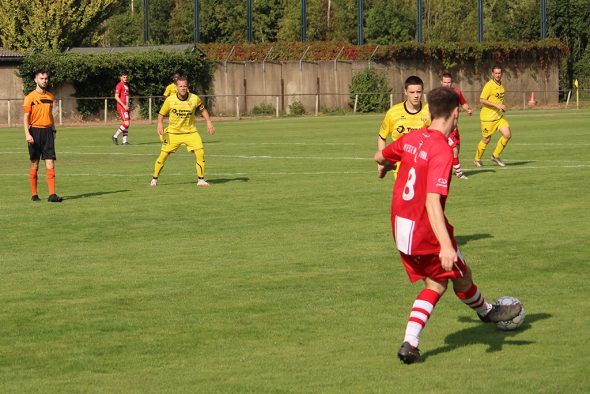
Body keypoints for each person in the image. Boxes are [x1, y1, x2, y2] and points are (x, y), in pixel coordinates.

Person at [374, 87, 521, 365]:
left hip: (400, 228)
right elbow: (432, 203)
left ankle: (411, 343)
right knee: (458, 277)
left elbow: (380, 156)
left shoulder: (411, 138)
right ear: (456, 113)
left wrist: (383, 165)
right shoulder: (441, 150)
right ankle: (487, 312)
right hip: (424, 229)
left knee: (436, 282)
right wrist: (445, 245)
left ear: (429, 112)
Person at [150, 76, 216, 187]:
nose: (183, 88)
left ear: (187, 87)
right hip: (173, 133)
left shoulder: (194, 98)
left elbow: (203, 110)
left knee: (200, 153)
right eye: (180, 86)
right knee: (163, 156)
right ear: (176, 87)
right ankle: (154, 180)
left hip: (191, 132)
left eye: (185, 86)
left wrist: (209, 122)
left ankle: (201, 180)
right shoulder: (170, 100)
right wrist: (160, 124)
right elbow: (161, 114)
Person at [377, 76, 430, 179]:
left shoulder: (430, 110)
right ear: (405, 92)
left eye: (418, 92)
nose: (416, 95)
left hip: (424, 164)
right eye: (412, 92)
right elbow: (382, 137)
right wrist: (382, 160)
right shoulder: (393, 113)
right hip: (401, 166)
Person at [23, 70, 62, 202]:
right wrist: (27, 134)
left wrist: (54, 129)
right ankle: (34, 194)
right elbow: (25, 118)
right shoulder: (30, 97)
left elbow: (50, 115)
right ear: (36, 80)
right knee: (35, 164)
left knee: (50, 162)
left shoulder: (50, 97)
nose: (44, 80)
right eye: (41, 78)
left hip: (48, 133)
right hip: (34, 132)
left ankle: (52, 195)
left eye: (46, 78)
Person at [474, 66, 512, 167]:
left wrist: (502, 106)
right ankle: (477, 160)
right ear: (492, 74)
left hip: (498, 116)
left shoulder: (501, 84)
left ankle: (495, 156)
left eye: (499, 73)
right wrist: (497, 105)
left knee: (507, 134)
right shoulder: (489, 85)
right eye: (496, 73)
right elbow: (482, 99)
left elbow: (498, 99)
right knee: (486, 139)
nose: (498, 75)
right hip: (488, 118)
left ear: (501, 73)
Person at [440, 72, 472, 179]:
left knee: (457, 150)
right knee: (454, 150)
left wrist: (467, 109)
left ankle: (445, 168)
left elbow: (463, 103)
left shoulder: (457, 92)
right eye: (445, 82)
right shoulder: (438, 94)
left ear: (451, 82)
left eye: (449, 82)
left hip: (454, 127)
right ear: (441, 82)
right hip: (444, 127)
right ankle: (459, 173)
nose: (447, 84)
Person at [112, 72, 130, 145]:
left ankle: (124, 141)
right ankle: (115, 136)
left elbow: (126, 95)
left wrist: (127, 105)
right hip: (121, 106)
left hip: (126, 106)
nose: (125, 78)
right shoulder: (119, 85)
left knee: (127, 124)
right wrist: (123, 105)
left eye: (126, 77)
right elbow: (116, 97)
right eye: (124, 77)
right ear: (120, 78)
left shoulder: (126, 85)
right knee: (126, 123)